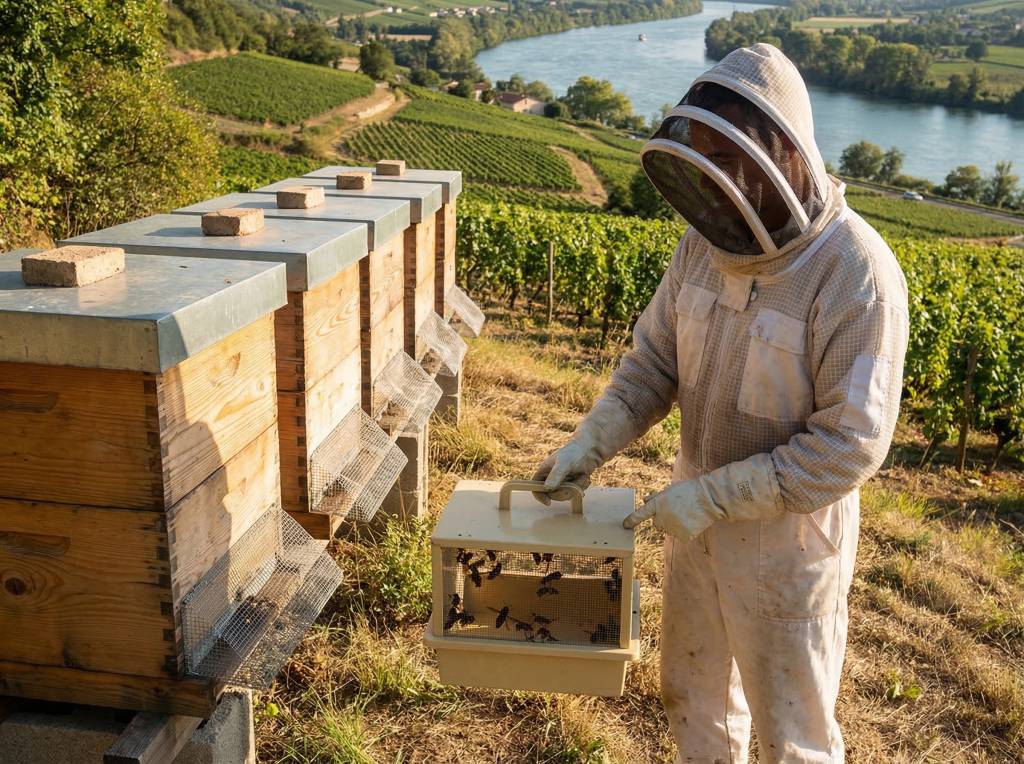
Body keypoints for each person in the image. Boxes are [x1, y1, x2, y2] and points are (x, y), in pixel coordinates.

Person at [533, 44, 909, 762]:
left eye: (733, 168)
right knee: (693, 699)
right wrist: (591, 441)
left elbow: (849, 445)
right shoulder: (701, 247)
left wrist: (715, 496)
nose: (723, 194)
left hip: (787, 552)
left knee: (791, 734)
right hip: (693, 526)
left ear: (782, 158)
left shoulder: (855, 275)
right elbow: (652, 364)